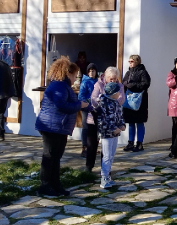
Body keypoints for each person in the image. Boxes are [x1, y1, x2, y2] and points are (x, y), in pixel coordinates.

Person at [35, 57, 88, 196]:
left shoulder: (62, 86)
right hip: (51, 126)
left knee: (56, 156)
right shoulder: (59, 86)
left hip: (58, 126)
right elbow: (61, 105)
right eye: (75, 76)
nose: (76, 79)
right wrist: (79, 105)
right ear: (68, 73)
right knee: (50, 156)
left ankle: (55, 184)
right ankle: (45, 186)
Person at [85, 67, 125, 173]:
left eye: (115, 79)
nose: (113, 81)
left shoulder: (119, 86)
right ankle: (89, 166)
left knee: (107, 145)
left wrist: (111, 99)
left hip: (110, 120)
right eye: (111, 79)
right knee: (92, 143)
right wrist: (103, 101)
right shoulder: (99, 84)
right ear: (106, 78)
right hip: (95, 118)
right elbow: (93, 100)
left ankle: (106, 169)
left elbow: (121, 100)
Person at [96, 81, 125, 189]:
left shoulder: (116, 103)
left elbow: (119, 116)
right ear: (113, 93)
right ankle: (103, 178)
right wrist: (113, 129)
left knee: (111, 156)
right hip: (107, 134)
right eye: (118, 92)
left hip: (115, 134)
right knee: (106, 156)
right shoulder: (103, 102)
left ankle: (108, 176)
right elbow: (102, 120)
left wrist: (122, 125)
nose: (119, 94)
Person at [122, 54, 151, 152]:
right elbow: (123, 82)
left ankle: (139, 144)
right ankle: (130, 142)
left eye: (131, 61)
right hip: (129, 101)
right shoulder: (128, 72)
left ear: (137, 61)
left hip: (140, 101)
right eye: (129, 61)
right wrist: (126, 84)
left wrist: (132, 85)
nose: (130, 63)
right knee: (130, 122)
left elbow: (146, 84)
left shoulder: (143, 72)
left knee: (139, 122)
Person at [78, 63, 99, 157]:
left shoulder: (98, 82)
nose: (91, 72)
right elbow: (81, 96)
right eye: (90, 70)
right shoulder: (85, 82)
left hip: (96, 108)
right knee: (86, 127)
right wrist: (86, 105)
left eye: (93, 70)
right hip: (86, 108)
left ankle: (93, 147)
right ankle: (84, 147)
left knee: (95, 128)